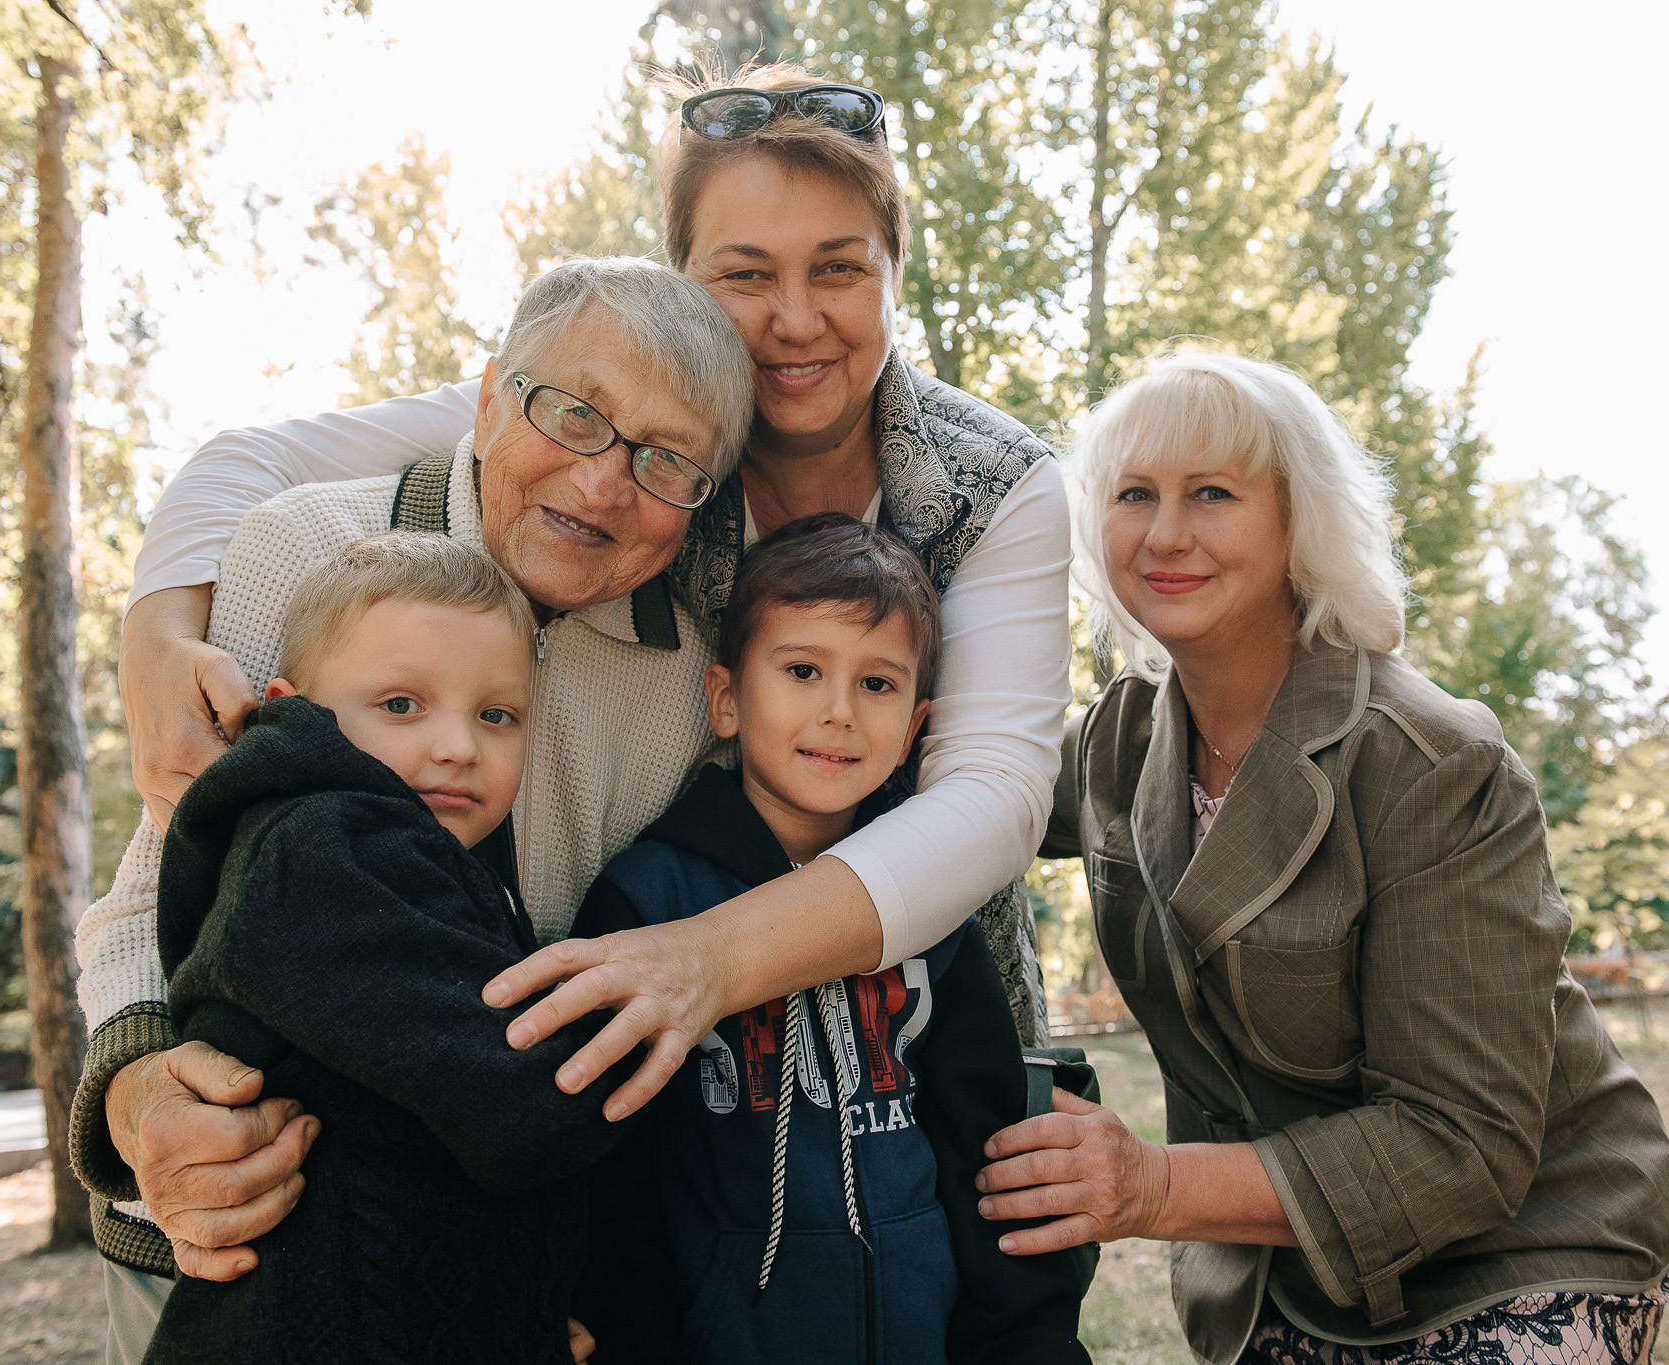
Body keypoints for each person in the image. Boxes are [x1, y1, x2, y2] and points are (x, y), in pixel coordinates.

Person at [85, 63, 1072, 1302]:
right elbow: (254, 467)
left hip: (879, 1039)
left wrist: (701, 962)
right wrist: (156, 629)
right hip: (298, 1217)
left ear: (891, 272)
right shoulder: (570, 412)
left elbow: (989, 801)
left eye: (839, 266)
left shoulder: (993, 487)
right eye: (742, 274)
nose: (793, 319)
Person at [68, 256, 754, 1361]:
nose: (602, 484)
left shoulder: (682, 685)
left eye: (667, 459)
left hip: (472, 1265)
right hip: (242, 1239)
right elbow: (163, 882)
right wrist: (136, 1090)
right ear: (487, 398)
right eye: (574, 414)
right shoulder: (301, 550)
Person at [969, 352, 1669, 1365]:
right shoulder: (1119, 737)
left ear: (1295, 522)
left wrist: (1150, 1186)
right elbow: (961, 800)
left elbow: (1462, 1144)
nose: (1164, 532)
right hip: (1281, 1279)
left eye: (1210, 493)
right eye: (1133, 494)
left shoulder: (1432, 761)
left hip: (1522, 1250)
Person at [570, 516, 1089, 1365]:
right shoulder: (646, 904)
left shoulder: (934, 909)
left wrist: (1025, 1342)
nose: (839, 712)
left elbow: (986, 1153)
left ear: (918, 722)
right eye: (803, 670)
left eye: (877, 684)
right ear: (727, 698)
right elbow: (616, 1180)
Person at [145, 533, 628, 1364]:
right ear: (292, 705)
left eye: (496, 714)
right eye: (402, 705)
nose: (457, 746)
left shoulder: (400, 859)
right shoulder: (322, 851)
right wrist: (670, 1015)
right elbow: (527, 1101)